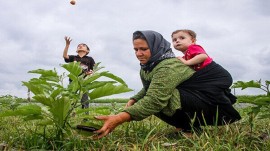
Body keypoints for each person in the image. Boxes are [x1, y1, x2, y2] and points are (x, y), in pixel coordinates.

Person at [94, 30, 241, 139]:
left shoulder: (168, 66)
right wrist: (134, 99)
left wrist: (119, 118)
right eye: (136, 49)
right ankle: (185, 126)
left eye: (144, 49)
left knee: (160, 100)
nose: (138, 53)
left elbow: (155, 99)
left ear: (156, 46)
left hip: (209, 104)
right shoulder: (148, 66)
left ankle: (191, 129)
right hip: (195, 98)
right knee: (152, 98)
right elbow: (149, 87)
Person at [63, 36, 95, 114]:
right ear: (77, 50)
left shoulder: (89, 59)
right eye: (79, 45)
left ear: (87, 50)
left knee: (85, 98)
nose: (80, 45)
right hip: (73, 80)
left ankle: (85, 115)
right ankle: (69, 114)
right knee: (71, 97)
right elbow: (65, 56)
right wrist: (67, 45)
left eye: (83, 45)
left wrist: (89, 74)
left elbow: (93, 69)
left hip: (84, 81)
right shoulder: (73, 57)